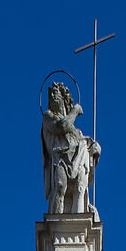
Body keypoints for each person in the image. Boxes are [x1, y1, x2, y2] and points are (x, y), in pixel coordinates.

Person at [41, 81, 100, 217]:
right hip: (59, 159)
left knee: (79, 189)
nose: (52, 96)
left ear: (63, 98)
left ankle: (77, 223)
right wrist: (76, 110)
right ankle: (56, 221)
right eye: (51, 95)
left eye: (56, 93)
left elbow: (85, 142)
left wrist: (96, 149)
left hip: (76, 160)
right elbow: (61, 127)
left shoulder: (76, 131)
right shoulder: (48, 117)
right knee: (60, 187)